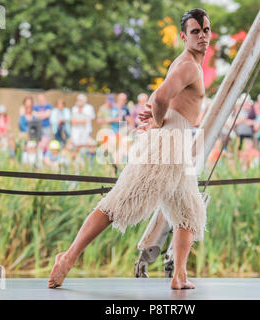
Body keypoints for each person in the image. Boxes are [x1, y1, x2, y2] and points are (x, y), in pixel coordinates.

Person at [49, 8, 211, 290]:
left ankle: (180, 275)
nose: (202, 36)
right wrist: (158, 123)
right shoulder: (187, 65)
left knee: (189, 213)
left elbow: (157, 98)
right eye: (195, 32)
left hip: (177, 144)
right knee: (120, 203)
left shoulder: (187, 65)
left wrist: (154, 117)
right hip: (168, 144)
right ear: (184, 36)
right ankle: (68, 257)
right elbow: (160, 96)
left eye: (206, 30)